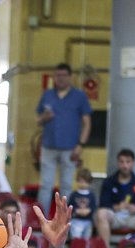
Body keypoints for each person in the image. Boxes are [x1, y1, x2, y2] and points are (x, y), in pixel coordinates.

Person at [36, 62, 92, 207]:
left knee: (66, 185)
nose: (60, 78)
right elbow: (38, 120)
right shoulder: (47, 95)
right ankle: (42, 220)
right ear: (54, 77)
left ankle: (63, 222)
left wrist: (81, 145)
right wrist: (44, 118)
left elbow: (87, 122)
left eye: (64, 75)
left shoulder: (79, 96)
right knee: (45, 185)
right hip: (48, 146)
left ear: (70, 76)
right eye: (57, 75)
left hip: (70, 148)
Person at [94, 149, 135, 243]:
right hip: (115, 217)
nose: (125, 165)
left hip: (134, 217)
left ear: (133, 163)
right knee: (101, 213)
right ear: (118, 163)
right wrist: (117, 207)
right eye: (122, 162)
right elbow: (103, 204)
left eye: (128, 162)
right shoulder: (108, 182)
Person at [68, 168, 97, 240]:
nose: (82, 184)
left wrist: (89, 211)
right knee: (76, 240)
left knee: (86, 240)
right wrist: (76, 211)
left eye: (85, 181)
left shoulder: (92, 195)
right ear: (77, 181)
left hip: (88, 221)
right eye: (80, 181)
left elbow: (94, 207)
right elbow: (69, 206)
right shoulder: (74, 194)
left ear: (89, 182)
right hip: (75, 220)